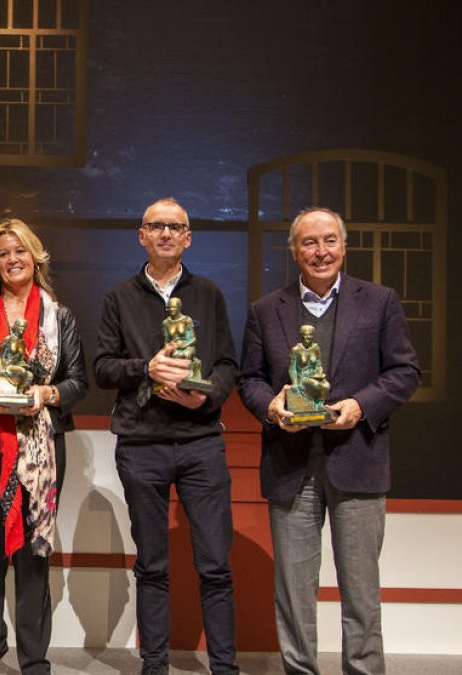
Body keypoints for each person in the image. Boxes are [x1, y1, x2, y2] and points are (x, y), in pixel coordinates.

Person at [238, 207, 419, 675]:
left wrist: (360, 406)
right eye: (309, 243)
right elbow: (250, 380)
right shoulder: (265, 310)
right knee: (294, 591)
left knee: (361, 590)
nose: (320, 252)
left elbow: (404, 371)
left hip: (358, 461)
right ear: (294, 251)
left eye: (329, 241)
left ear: (344, 245)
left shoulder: (379, 301)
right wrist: (272, 408)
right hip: (290, 465)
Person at [91, 198, 239, 675]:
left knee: (215, 564)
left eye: (175, 227)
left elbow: (227, 365)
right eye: (156, 226)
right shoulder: (119, 297)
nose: (166, 234)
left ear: (188, 237)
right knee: (152, 565)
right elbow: (102, 368)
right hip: (142, 443)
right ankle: (154, 665)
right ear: (142, 235)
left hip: (201, 442)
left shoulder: (209, 294)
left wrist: (208, 395)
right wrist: (145, 367)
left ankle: (225, 667)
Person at [0, 218, 87, 675]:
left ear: (35, 257)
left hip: (41, 448)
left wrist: (48, 394)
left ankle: (34, 659)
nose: (13, 260)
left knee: (33, 556)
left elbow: (78, 381)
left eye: (20, 251)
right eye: (4, 253)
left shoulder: (58, 315)